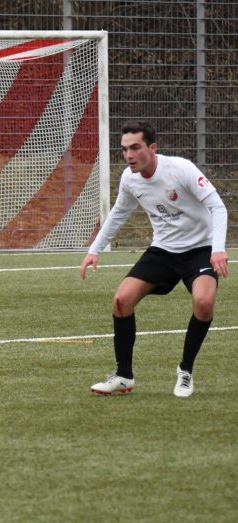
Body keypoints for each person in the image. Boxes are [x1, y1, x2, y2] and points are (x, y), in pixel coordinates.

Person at [80, 120, 229, 397]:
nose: (129, 155)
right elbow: (118, 214)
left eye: (135, 148)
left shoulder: (181, 170)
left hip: (200, 248)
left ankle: (185, 370)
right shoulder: (129, 178)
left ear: (152, 148)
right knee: (121, 301)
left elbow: (217, 207)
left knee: (204, 302)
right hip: (162, 250)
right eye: (124, 149)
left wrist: (217, 248)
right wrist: (94, 249)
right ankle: (124, 376)